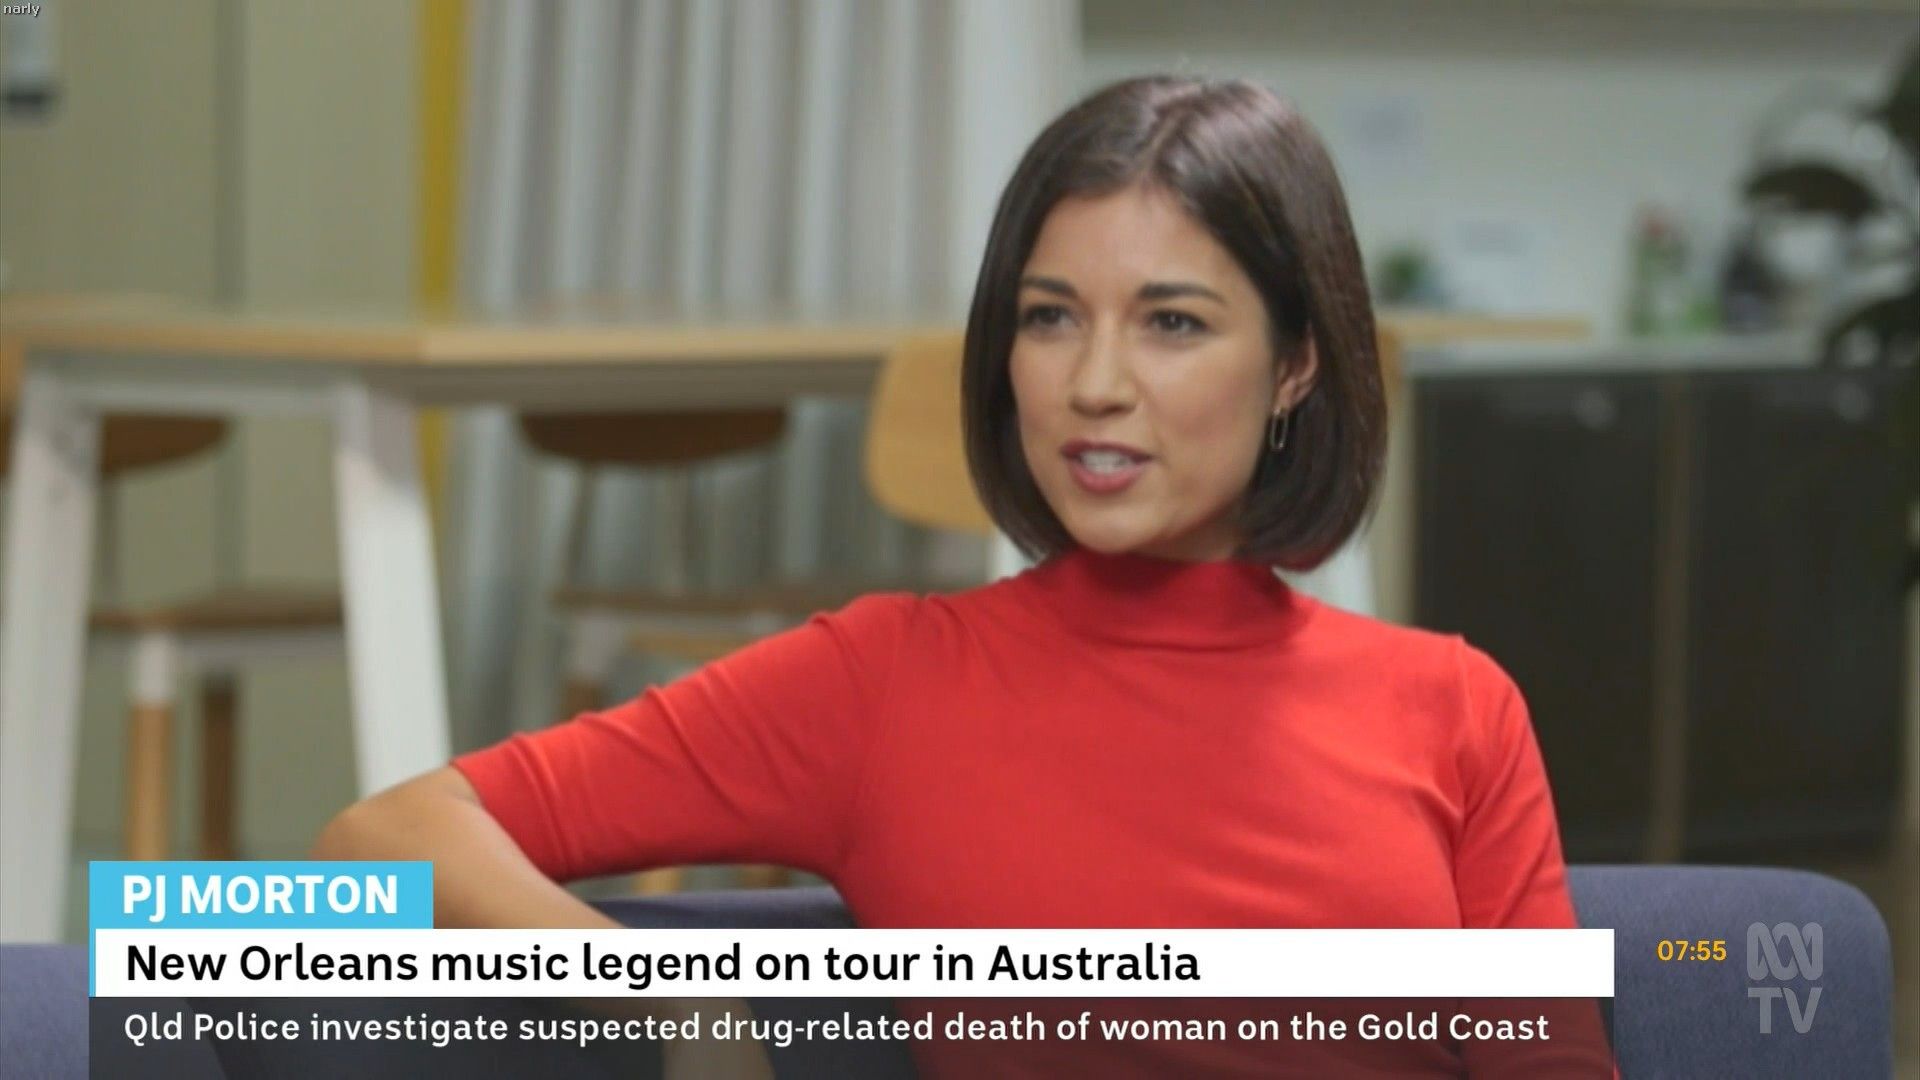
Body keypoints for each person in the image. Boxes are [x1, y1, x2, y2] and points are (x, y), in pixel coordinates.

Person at [314, 74, 1613, 1078]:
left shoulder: (1455, 709)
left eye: (1172, 322)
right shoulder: (884, 683)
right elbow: (388, 840)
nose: (1093, 384)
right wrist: (679, 1005)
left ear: (1294, 365)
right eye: (1051, 318)